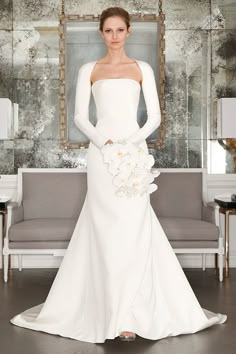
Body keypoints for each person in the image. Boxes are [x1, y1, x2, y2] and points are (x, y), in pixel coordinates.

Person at [10, 6, 227, 343]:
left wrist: (130, 143)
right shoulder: (88, 70)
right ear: (101, 33)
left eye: (119, 30)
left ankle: (131, 313)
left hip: (134, 153)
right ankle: (108, 310)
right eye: (108, 30)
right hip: (101, 156)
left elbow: (154, 116)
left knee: (134, 227)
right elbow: (81, 116)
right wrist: (106, 142)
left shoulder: (141, 69)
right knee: (104, 228)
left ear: (128, 32)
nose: (113, 36)